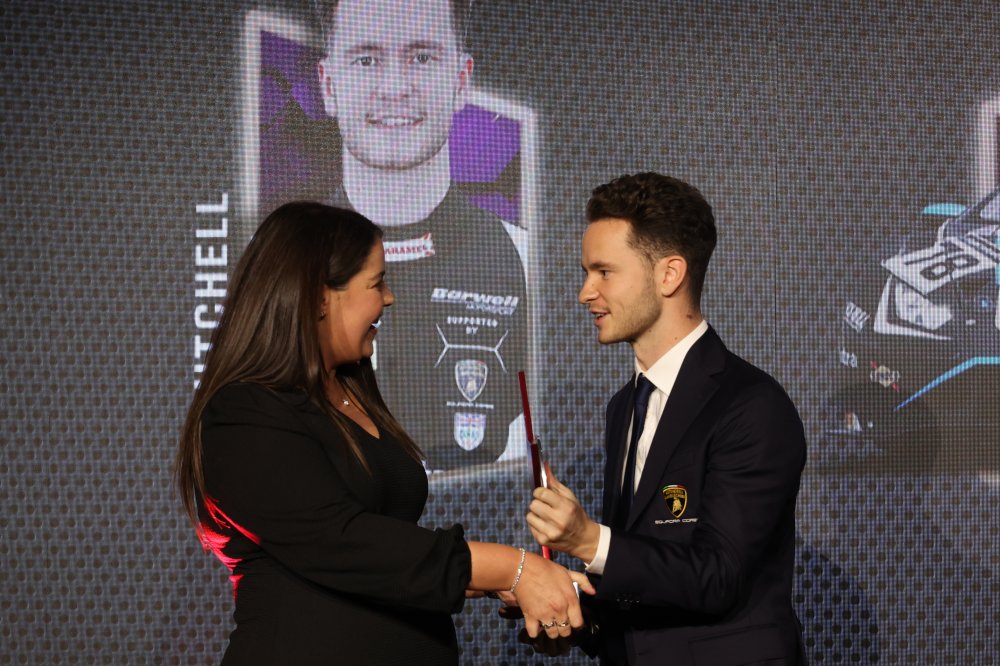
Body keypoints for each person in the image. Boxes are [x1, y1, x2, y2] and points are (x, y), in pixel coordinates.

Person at [175, 202, 591, 665]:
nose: (389, 298)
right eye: (377, 284)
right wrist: (513, 569)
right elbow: (343, 543)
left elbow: (391, 555)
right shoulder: (244, 412)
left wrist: (508, 583)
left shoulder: (352, 389)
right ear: (318, 297)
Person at [525, 173, 807, 664]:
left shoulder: (752, 405)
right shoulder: (624, 407)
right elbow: (649, 572)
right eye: (586, 272)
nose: (585, 292)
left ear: (669, 275)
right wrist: (572, 609)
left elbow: (718, 576)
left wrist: (586, 539)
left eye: (604, 272)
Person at [316, 0, 529, 469]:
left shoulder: (528, 260)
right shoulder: (279, 265)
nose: (395, 88)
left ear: (461, 81)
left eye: (422, 57)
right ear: (329, 85)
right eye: (366, 59)